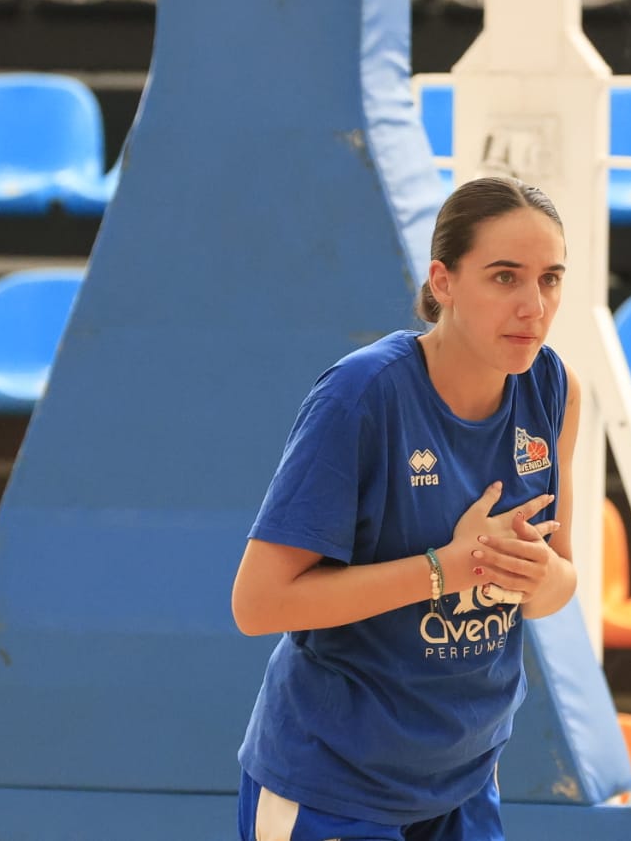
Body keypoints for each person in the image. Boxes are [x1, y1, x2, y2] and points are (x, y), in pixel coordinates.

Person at [231, 175, 581, 841]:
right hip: (334, 784)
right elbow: (259, 604)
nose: (534, 306)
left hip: (465, 775)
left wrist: (535, 575)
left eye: (551, 279)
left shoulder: (554, 388)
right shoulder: (361, 396)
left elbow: (555, 587)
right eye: (505, 278)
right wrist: (445, 570)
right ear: (443, 282)